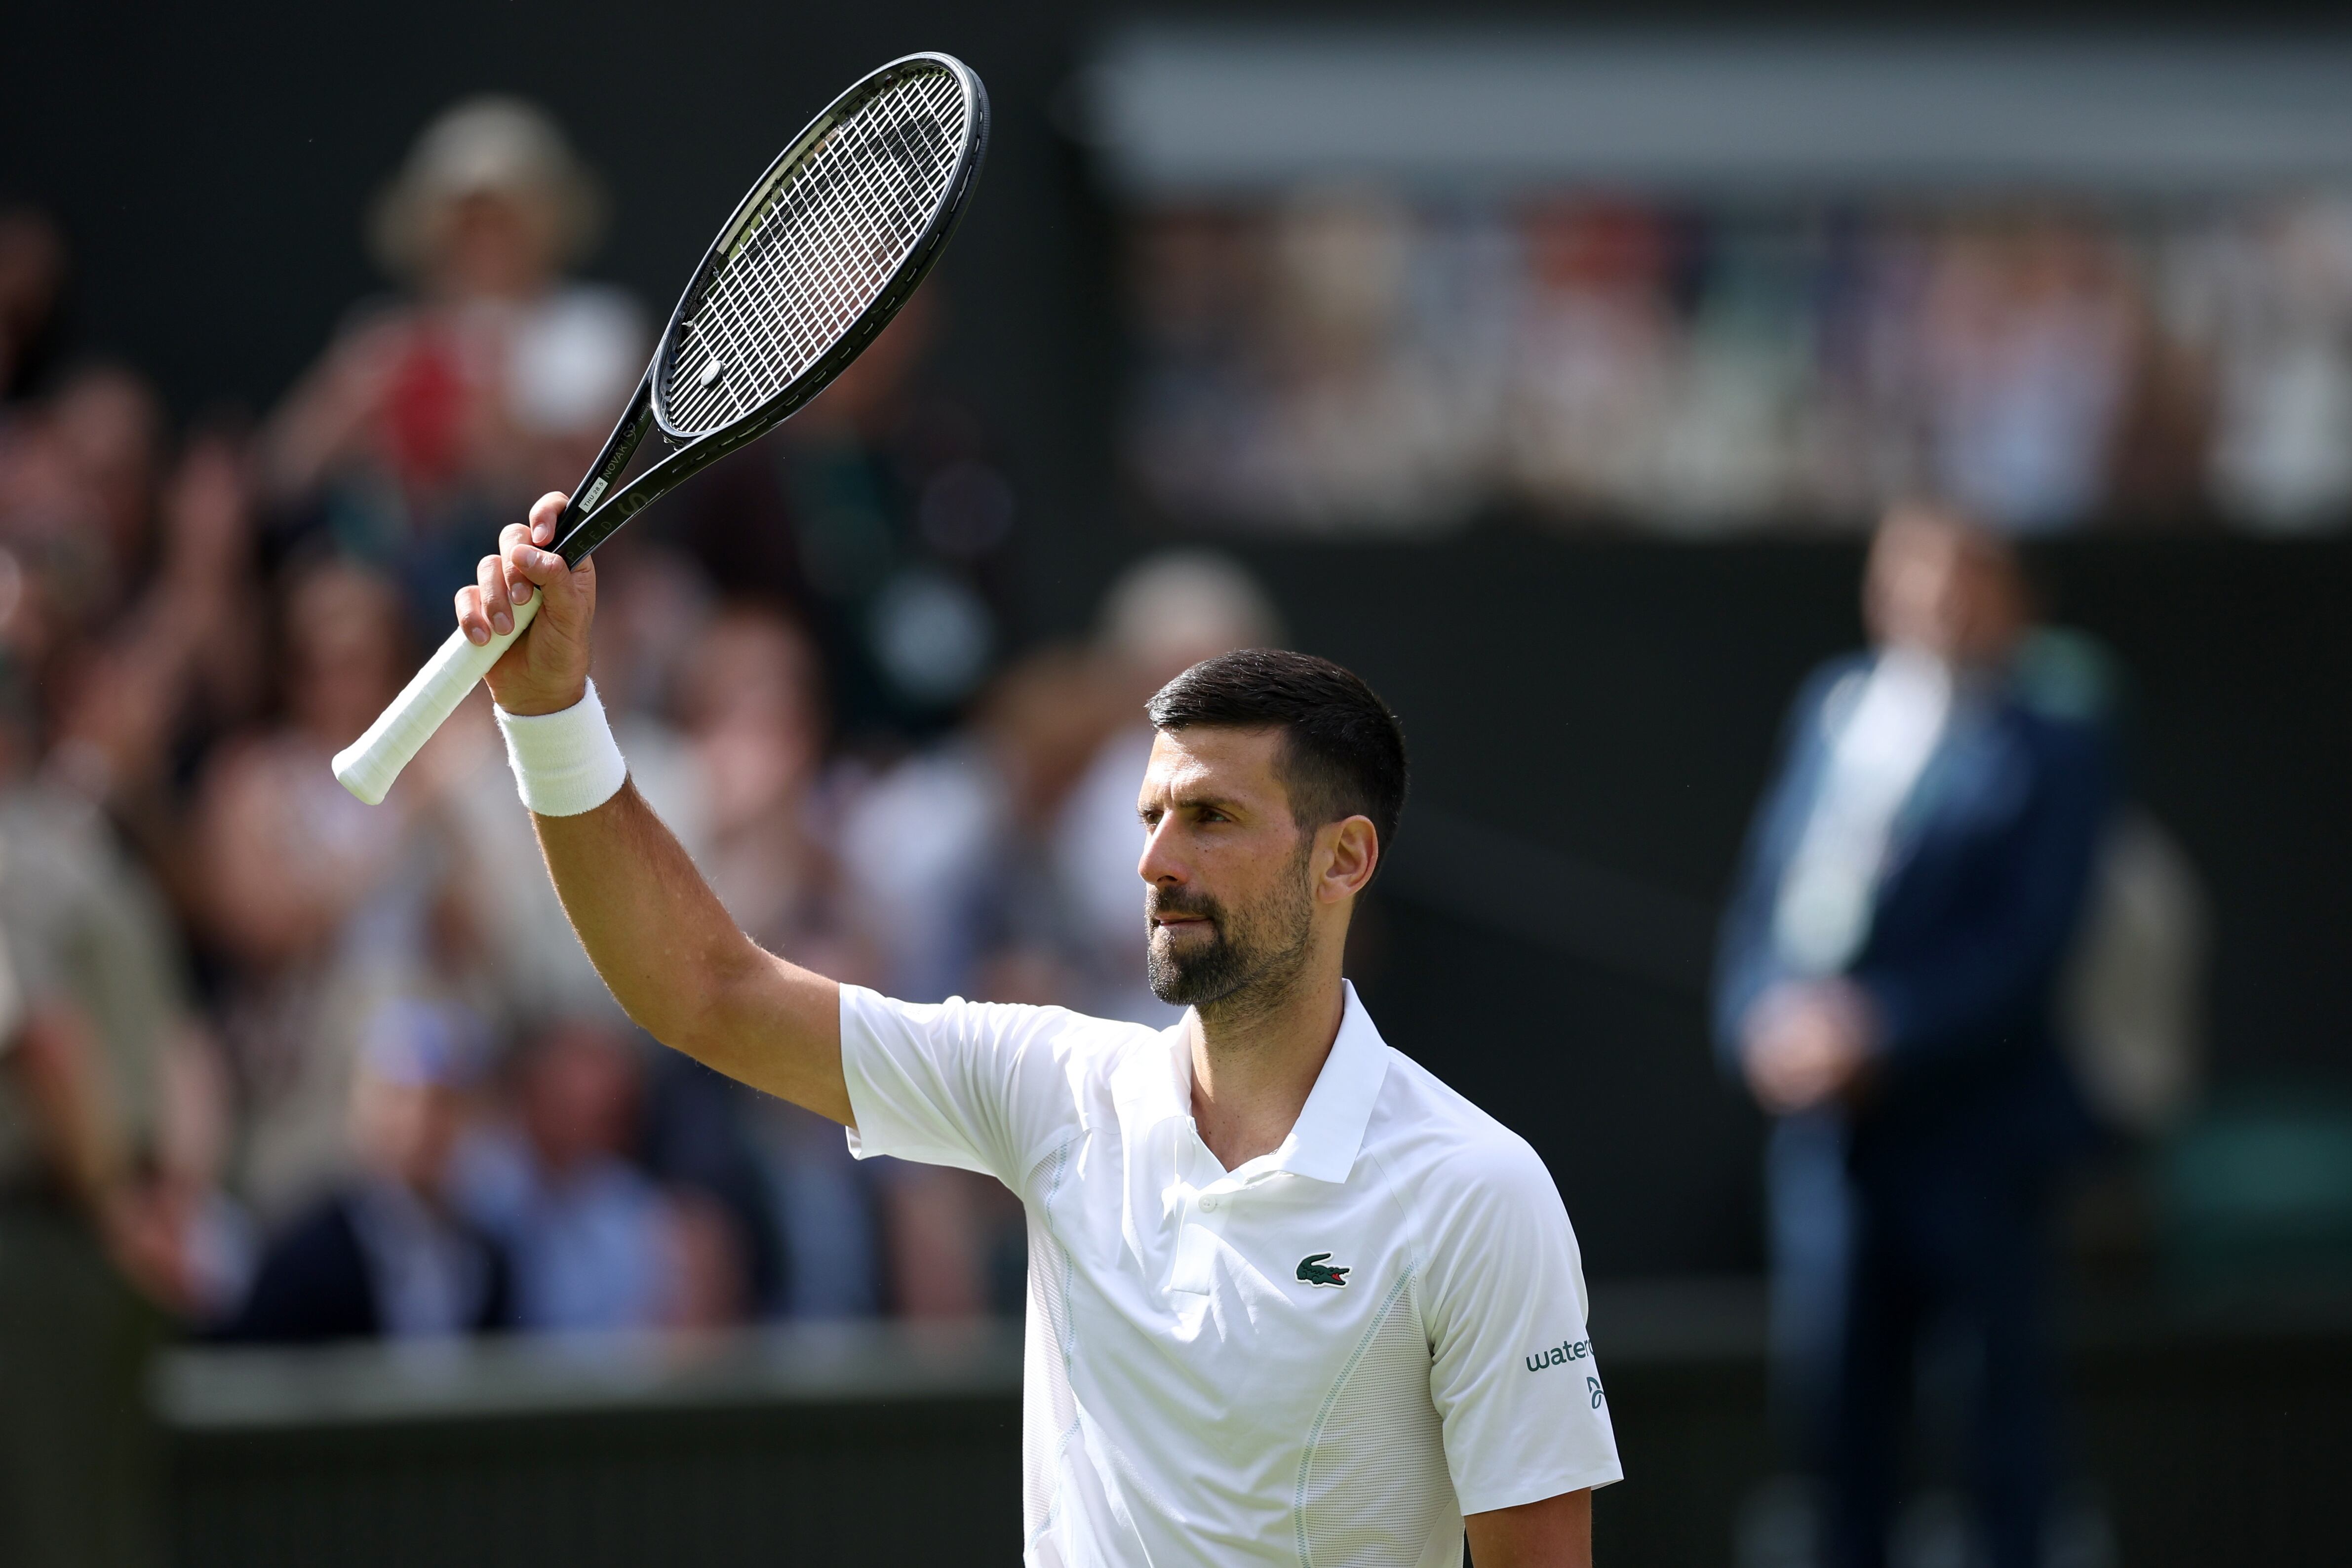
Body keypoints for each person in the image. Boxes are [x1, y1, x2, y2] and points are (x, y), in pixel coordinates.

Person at [446, 493, 1623, 1566]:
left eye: (1212, 818)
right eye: (1152, 815)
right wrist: (551, 712)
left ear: (1344, 859)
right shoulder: (1055, 1085)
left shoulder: (1478, 1190)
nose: (1156, 860)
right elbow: (704, 992)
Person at [1714, 501, 2115, 1568]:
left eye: (1966, 575)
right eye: (1916, 572)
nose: (1937, 600)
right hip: (1832, 1153)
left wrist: (1878, 1031)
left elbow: (2028, 947)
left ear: (2017, 599)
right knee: (1839, 1445)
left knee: (1999, 1442)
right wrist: (1760, 1021)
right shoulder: (1834, 709)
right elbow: (1767, 901)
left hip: (1976, 1145)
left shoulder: (2056, 742)